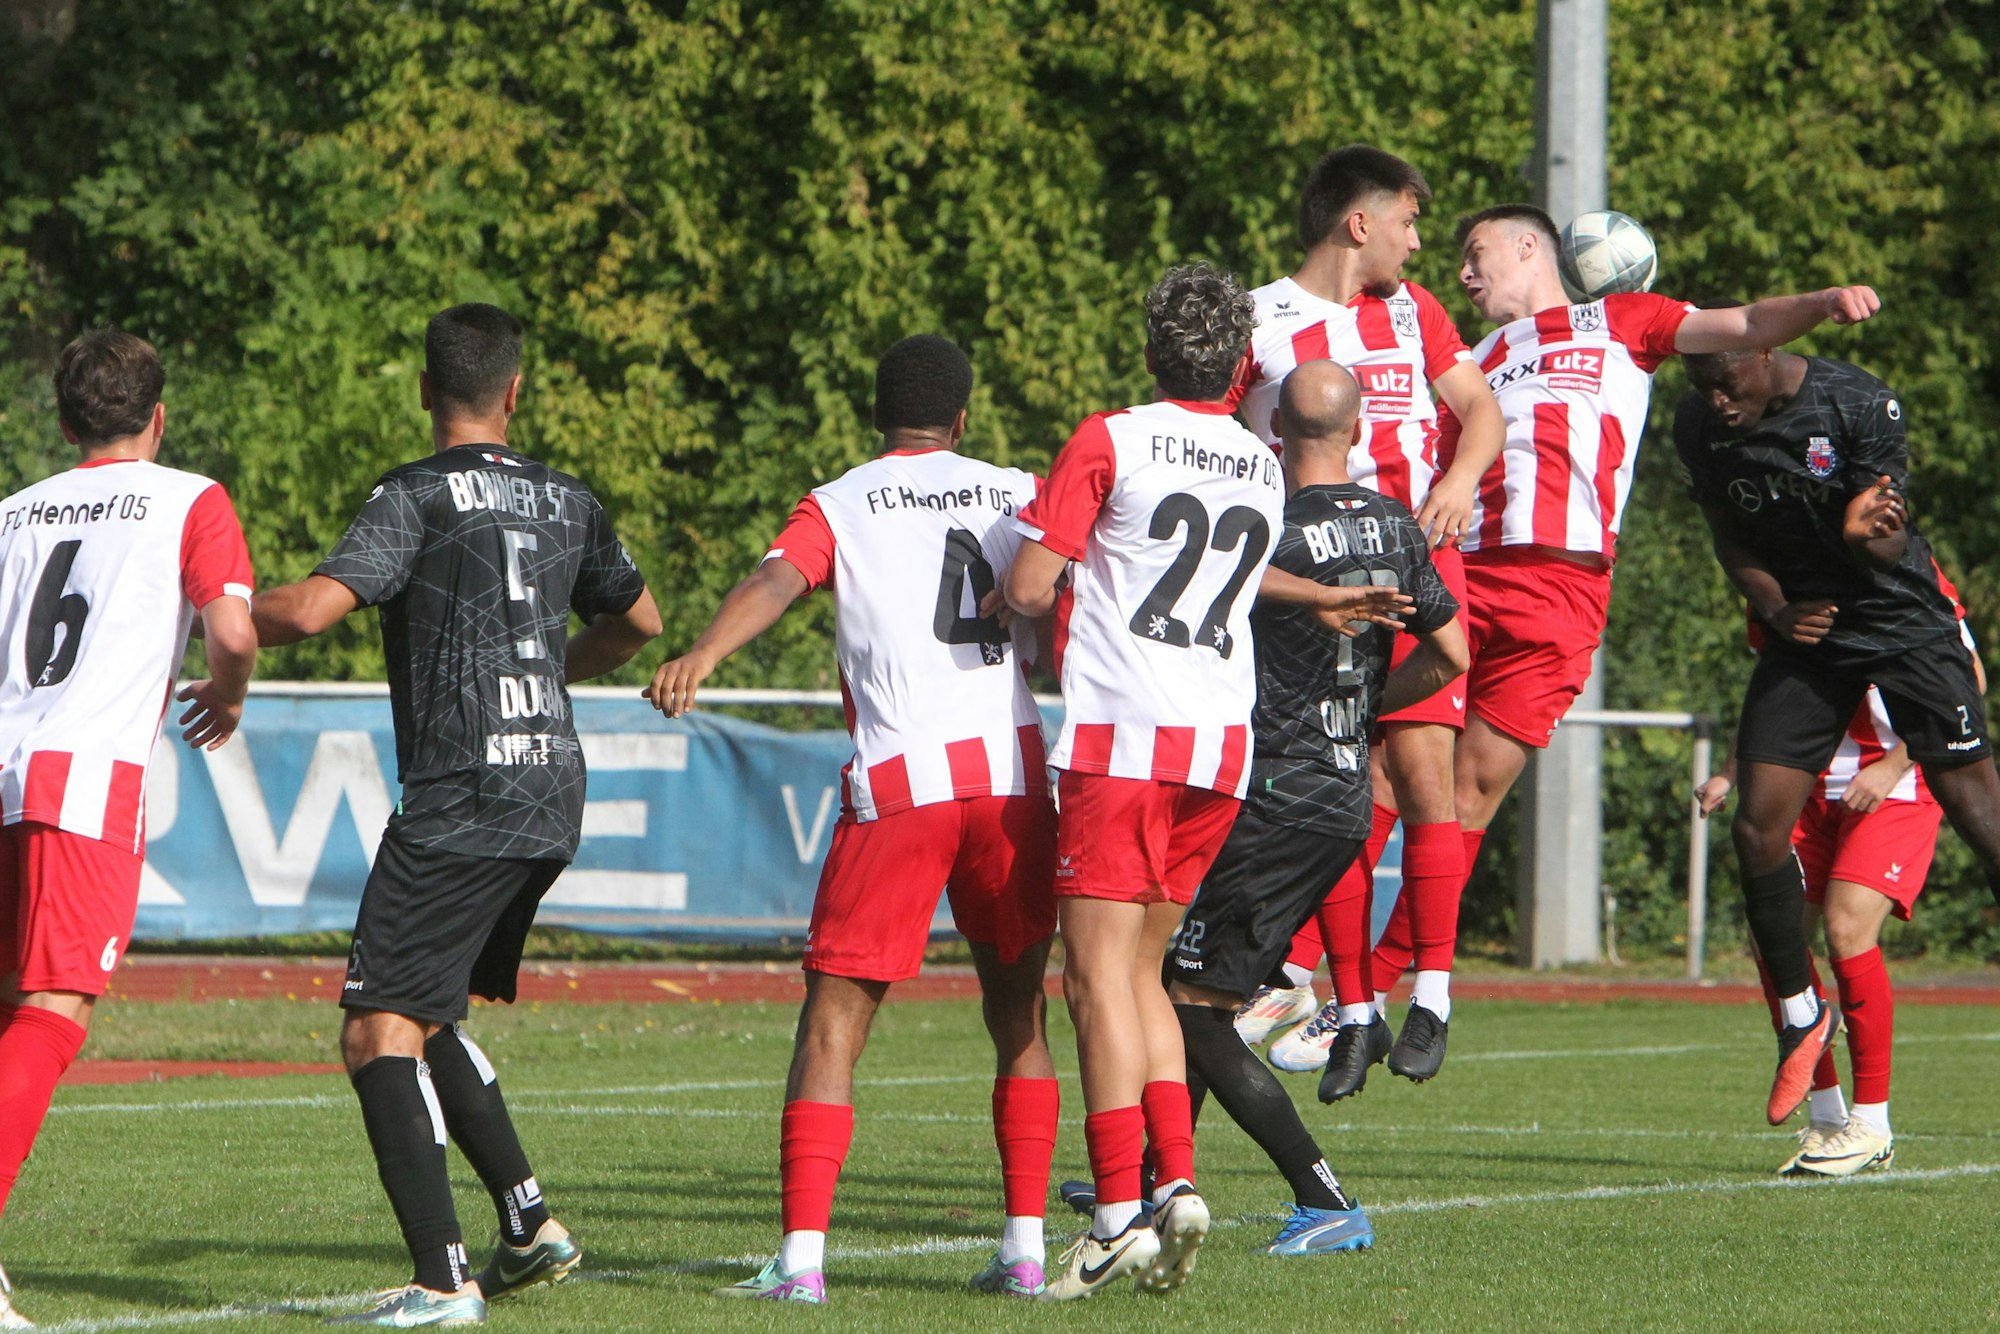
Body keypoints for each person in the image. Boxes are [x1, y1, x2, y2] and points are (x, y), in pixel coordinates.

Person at [1362, 205, 1882, 1085]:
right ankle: (1316, 979)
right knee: (1383, 765)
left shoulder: (1623, 321)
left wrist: (1825, 300)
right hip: (1465, 573)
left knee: (1470, 792)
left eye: (1474, 251)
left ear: (1532, 246)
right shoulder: (1469, 359)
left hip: (1563, 582)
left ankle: (1376, 987)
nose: (1464, 271)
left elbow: (1749, 323)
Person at [251, 304, 661, 1326]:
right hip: (549, 782)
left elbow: (306, 612)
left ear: (425, 391)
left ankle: (442, 1280)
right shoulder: (569, 497)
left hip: (463, 791)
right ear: (514, 392)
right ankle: (528, 1225)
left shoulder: (415, 494)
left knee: (373, 1027)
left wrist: (216, 602)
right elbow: (640, 622)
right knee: (425, 1011)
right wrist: (541, 672)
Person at [651, 335, 1062, 1305]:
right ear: (961, 418)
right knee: (1018, 1012)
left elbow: (775, 581)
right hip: (1010, 777)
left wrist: (702, 655)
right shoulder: (1016, 488)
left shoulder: (839, 499)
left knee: (834, 1019)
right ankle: (1025, 1246)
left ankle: (799, 1261)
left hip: (900, 778)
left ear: (877, 416)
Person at [1001, 262, 1288, 1301]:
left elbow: (1032, 584)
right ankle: (1174, 1180)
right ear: (1237, 358)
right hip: (1218, 743)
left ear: (1149, 343)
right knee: (1146, 974)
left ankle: (1117, 1210)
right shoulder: (1261, 464)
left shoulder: (1108, 435)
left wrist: (1036, 571)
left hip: (1124, 737)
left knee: (1091, 980)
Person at [1166, 361, 1465, 1254]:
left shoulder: (1270, 526)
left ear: (1272, 431)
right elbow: (1450, 652)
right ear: (1360, 426)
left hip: (1271, 794)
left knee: (1184, 1001)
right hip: (1339, 794)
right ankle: (1158, 1181)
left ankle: (1323, 1196)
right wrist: (1371, 709)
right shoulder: (1396, 525)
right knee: (1198, 991)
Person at [1229, 145, 1504, 1083]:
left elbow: (1480, 409)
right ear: (1361, 223)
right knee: (1339, 794)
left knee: (1427, 780)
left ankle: (1431, 994)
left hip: (1417, 560)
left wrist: (1461, 478)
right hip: (1311, 583)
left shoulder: (1413, 311)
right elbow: (1214, 441)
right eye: (1409, 221)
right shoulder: (1259, 321)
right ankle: (1354, 1006)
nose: (1416, 243)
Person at [0, 329, 257, 1328]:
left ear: (64, 423)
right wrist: (226, 694)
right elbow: (230, 629)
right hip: (85, 781)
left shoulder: (14, 511)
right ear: (158, 416)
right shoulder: (189, 496)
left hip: (5, 770)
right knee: (53, 1012)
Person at [1676, 336, 2000, 1126]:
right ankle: (1799, 1015)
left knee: (1979, 815)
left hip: (1899, 622)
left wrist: (1865, 535)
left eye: (1726, 382)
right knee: (1756, 827)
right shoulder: (1697, 423)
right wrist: (1775, 607)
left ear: (1765, 354)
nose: (1717, 400)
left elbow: (1891, 534)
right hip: (1809, 633)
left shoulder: (1860, 403)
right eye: (1702, 385)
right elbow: (1730, 536)